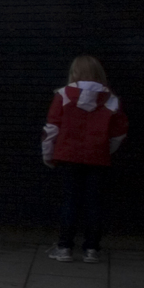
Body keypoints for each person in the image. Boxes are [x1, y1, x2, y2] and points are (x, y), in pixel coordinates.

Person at [43, 55, 127, 263]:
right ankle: (91, 249)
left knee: (70, 200)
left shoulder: (63, 95)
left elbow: (52, 127)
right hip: (97, 155)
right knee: (94, 202)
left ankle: (64, 248)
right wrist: (106, 150)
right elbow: (118, 133)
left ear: (74, 73)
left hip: (68, 154)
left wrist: (48, 154)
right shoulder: (111, 100)